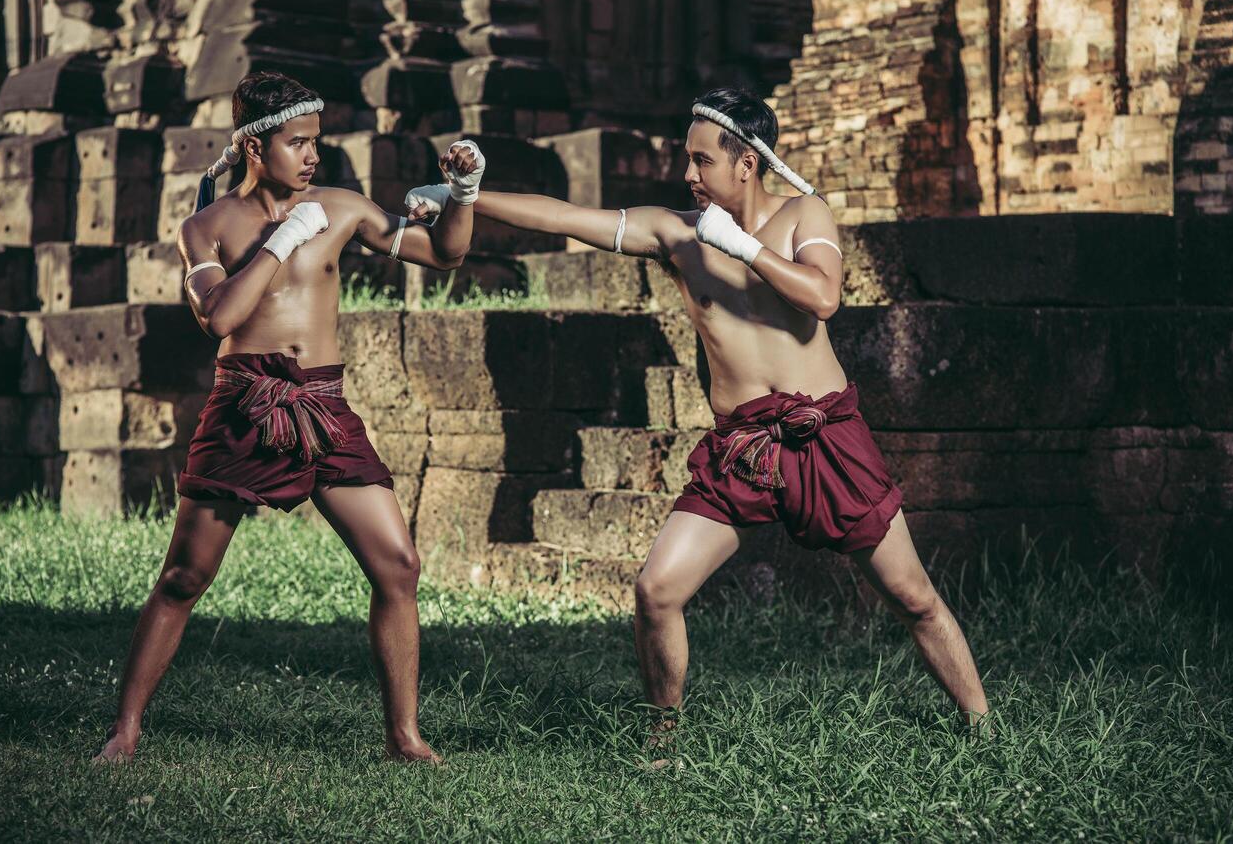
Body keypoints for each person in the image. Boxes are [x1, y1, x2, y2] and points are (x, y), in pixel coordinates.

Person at [409, 87, 989, 745]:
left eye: (701, 160)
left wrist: (742, 247)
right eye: (687, 159)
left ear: (746, 162)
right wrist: (466, 194)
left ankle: (984, 728)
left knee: (912, 598)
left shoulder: (805, 214)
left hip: (823, 436)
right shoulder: (678, 232)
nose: (688, 174)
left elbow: (823, 297)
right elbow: (565, 217)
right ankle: (662, 741)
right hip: (740, 449)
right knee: (656, 590)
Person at [95, 70, 482, 764]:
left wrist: (462, 195)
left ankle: (404, 737)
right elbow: (220, 318)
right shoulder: (205, 228)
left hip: (324, 405)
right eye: (296, 143)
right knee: (184, 577)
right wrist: (281, 241)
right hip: (245, 403)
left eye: (315, 142)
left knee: (398, 564)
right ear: (253, 146)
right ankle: (124, 730)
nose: (311, 156)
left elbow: (445, 255)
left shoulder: (342, 207)